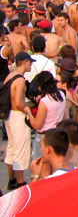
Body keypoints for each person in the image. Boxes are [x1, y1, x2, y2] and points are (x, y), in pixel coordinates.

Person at [4, 51, 33, 191]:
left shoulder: (10, 76)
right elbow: (18, 102)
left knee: (12, 148)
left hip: (8, 115)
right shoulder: (20, 80)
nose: (31, 65)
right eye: (30, 62)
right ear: (25, 62)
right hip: (17, 116)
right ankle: (21, 183)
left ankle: (12, 180)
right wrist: (28, 111)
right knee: (21, 149)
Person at [25, 71, 67, 158]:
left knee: (40, 163)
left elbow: (37, 125)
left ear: (40, 87)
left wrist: (29, 112)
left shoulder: (45, 101)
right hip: (57, 134)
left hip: (44, 136)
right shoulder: (61, 95)